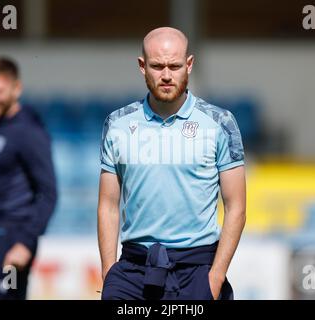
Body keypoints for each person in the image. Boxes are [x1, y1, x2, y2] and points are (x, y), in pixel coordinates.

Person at [98, 27, 246, 300]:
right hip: (132, 271)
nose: (166, 75)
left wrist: (214, 278)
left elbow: (236, 207)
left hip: (196, 272)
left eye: (174, 66)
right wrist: (109, 272)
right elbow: (108, 205)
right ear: (143, 66)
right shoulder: (117, 124)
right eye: (157, 66)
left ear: (189, 65)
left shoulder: (220, 123)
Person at [0, 56, 57, 299]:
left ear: (16, 89)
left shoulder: (30, 132)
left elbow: (48, 193)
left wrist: (25, 242)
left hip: (12, 241)